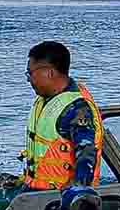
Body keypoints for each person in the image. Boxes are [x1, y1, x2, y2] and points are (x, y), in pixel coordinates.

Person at [6, 40, 100, 192]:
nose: (28, 79)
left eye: (30, 73)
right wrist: (21, 180)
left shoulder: (76, 109)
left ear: (49, 72)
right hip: (36, 193)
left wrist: (79, 189)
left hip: (57, 200)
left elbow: (87, 152)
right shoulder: (46, 100)